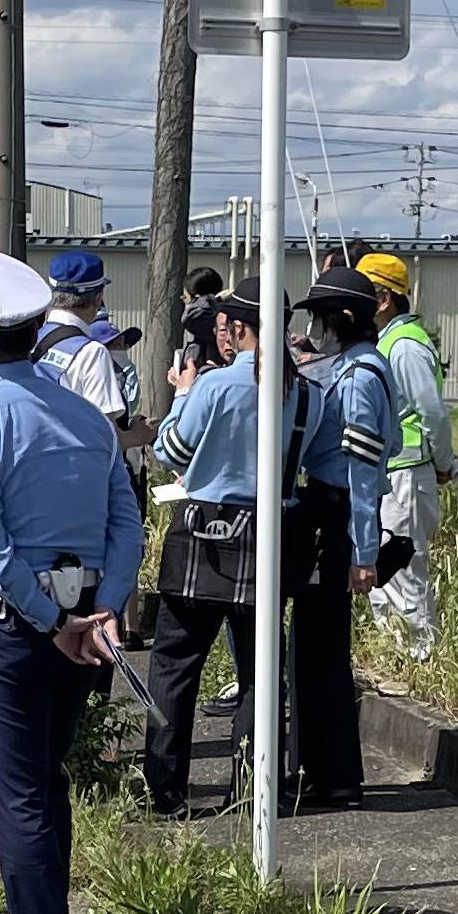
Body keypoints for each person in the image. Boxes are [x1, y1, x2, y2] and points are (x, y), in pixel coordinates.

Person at [0, 248, 141, 914]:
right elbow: (128, 522)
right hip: (87, 620)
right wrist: (103, 609)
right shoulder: (87, 416)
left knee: (18, 793)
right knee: (48, 782)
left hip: (13, 626)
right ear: (36, 328)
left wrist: (49, 617)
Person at [139, 293, 277, 815]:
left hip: (205, 527)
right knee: (259, 668)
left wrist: (183, 394)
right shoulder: (300, 388)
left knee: (174, 664)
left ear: (240, 330)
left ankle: (166, 789)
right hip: (266, 530)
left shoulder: (218, 383)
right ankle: (251, 791)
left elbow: (169, 450)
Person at [286, 266, 395, 808]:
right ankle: (315, 770)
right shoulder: (353, 366)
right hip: (327, 514)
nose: (316, 328)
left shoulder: (359, 380)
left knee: (324, 652)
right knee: (310, 648)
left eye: (321, 318)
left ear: (342, 320)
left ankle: (337, 778)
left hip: (336, 518)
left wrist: (364, 553)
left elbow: (361, 476)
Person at [352, 252, 458, 655]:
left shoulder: (405, 346)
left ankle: (420, 660)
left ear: (382, 300)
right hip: (393, 473)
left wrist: (445, 463)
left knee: (404, 571)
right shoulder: (388, 341)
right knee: (383, 572)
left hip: (407, 474)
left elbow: (432, 410)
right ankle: (395, 658)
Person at [38, 251, 140, 437]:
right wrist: (139, 435)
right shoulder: (91, 353)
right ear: (97, 298)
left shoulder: (34, 340)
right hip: (73, 462)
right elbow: (105, 437)